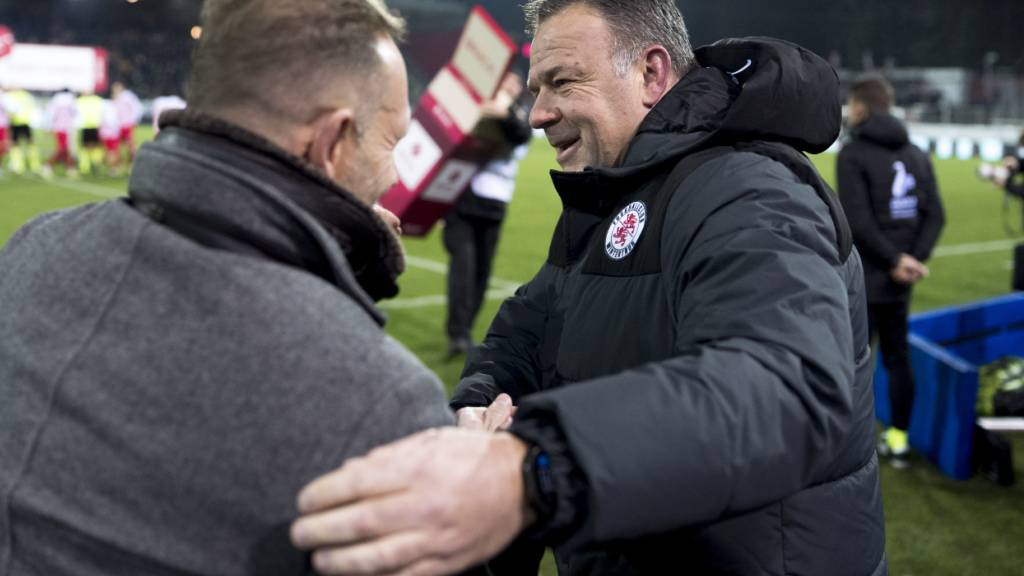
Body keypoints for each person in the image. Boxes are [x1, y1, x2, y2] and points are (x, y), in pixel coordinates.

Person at [290, 1, 886, 575]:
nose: (537, 114)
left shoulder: (747, 188)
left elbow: (784, 386)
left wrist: (534, 470)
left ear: (651, 73)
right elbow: (530, 328)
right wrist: (477, 410)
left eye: (563, 82)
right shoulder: (618, 190)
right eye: (536, 89)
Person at [0, 1, 454, 574]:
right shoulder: (385, 401)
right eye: (392, 141)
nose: (396, 174)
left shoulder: (31, 249)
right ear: (332, 142)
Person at [837, 76, 945, 469]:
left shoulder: (853, 153)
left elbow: (857, 221)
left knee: (851, 363)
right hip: (901, 281)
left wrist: (893, 260)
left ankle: (846, 447)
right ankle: (898, 440)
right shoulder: (915, 153)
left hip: (866, 278)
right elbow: (935, 215)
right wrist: (911, 260)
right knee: (898, 358)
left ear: (860, 107)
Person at [444, 71, 532, 357]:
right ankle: (458, 333)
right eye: (506, 79)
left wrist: (503, 109)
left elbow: (520, 134)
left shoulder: (516, 116)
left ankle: (465, 329)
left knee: (482, 270)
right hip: (464, 198)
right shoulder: (478, 105)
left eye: (515, 81)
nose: (511, 84)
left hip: (495, 203)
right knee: (464, 267)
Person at [42, 88, 79, 178]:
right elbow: (75, 113)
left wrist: (48, 127)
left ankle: (69, 167)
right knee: (63, 149)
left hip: (61, 128)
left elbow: (50, 114)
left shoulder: (56, 100)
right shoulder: (69, 100)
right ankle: (48, 165)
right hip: (63, 128)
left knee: (65, 150)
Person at [5, 87, 41, 175]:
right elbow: (33, 108)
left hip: (16, 122)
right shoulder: (27, 95)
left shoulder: (11, 96)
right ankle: (35, 165)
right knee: (30, 143)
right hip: (26, 122)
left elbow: (11, 110)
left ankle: (18, 166)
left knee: (15, 144)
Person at [111, 81, 143, 162]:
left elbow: (136, 108)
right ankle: (122, 162)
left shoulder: (128, 96)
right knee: (119, 145)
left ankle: (134, 160)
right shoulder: (115, 98)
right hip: (118, 125)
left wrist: (135, 120)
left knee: (130, 144)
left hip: (128, 124)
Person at [76, 90, 105, 175]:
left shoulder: (80, 100)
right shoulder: (97, 100)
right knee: (94, 146)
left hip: (88, 126)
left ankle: (87, 165)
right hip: (93, 126)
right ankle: (93, 163)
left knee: (87, 147)